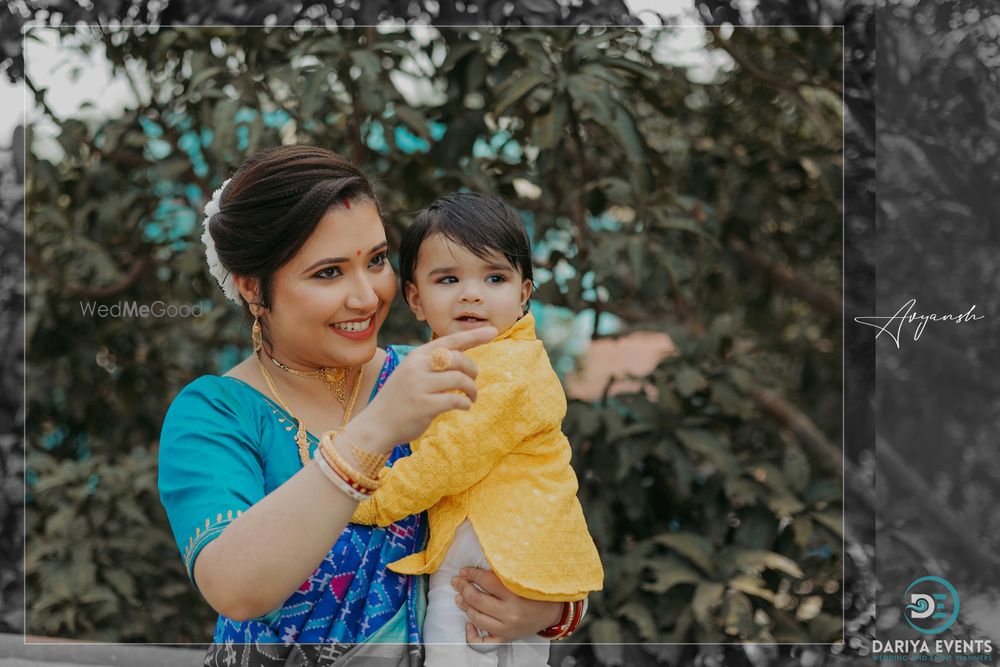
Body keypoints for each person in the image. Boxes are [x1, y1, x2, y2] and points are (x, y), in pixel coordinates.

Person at [157, 146, 581, 666]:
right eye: (328, 272)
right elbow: (235, 586)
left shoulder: (436, 371)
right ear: (252, 287)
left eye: (376, 261)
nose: (367, 297)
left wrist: (551, 609)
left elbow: (534, 496)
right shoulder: (217, 414)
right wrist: (380, 426)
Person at [349, 193, 604, 667]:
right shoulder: (441, 365)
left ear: (524, 294)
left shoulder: (509, 366)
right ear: (415, 298)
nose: (472, 293)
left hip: (490, 554)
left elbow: (451, 457)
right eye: (449, 279)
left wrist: (368, 499)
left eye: (495, 278)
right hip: (495, 554)